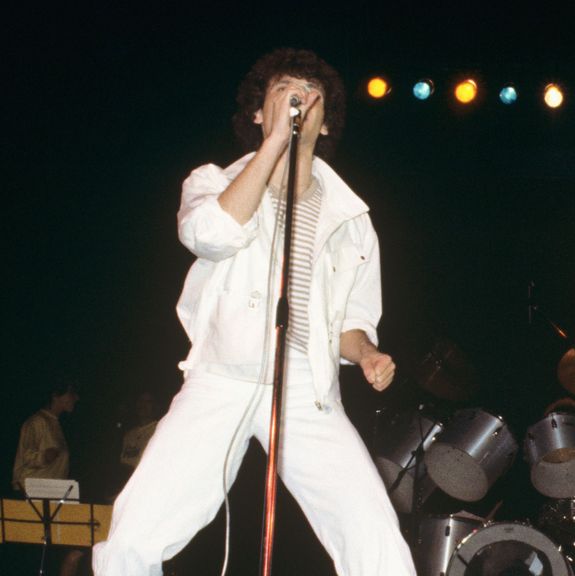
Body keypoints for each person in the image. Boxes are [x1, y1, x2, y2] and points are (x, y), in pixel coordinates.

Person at [93, 48, 415, 575]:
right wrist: (273, 148)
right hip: (223, 376)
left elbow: (350, 323)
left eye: (312, 95)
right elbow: (209, 235)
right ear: (259, 111)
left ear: (326, 119)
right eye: (284, 89)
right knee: (135, 534)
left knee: (375, 541)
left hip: (308, 391)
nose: (299, 99)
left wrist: (369, 353)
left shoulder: (353, 218)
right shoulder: (213, 182)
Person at [12, 381, 85, 576]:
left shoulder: (55, 423)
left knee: (53, 556)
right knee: (35, 558)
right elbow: (24, 455)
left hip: (53, 498)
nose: (76, 398)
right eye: (72, 393)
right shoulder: (37, 422)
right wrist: (43, 457)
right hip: (32, 497)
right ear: (56, 395)